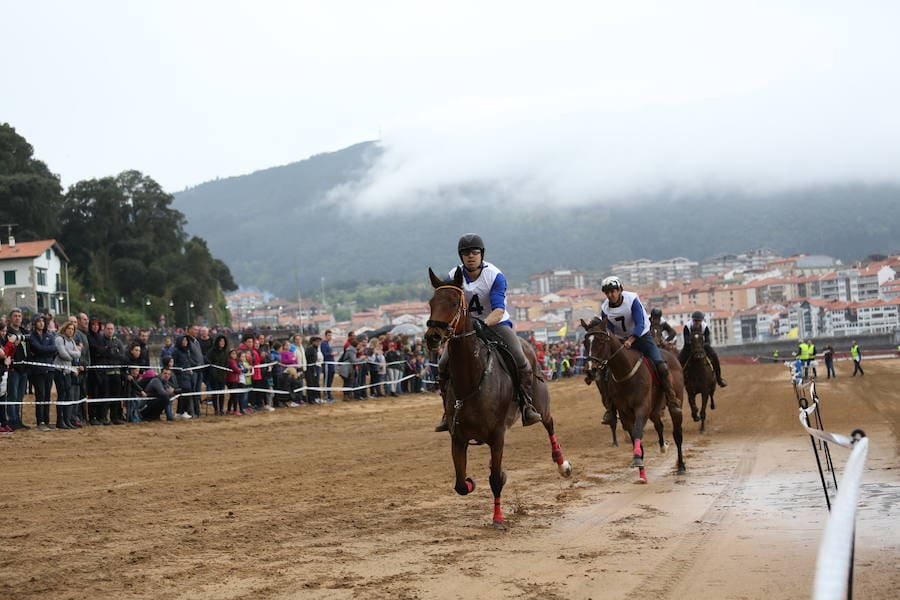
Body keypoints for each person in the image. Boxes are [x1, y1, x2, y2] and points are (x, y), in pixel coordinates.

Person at [435, 233, 541, 431]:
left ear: (481, 254)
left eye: (475, 252)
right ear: (461, 257)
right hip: (466, 329)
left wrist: (483, 324)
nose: (471, 256)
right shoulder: (453, 276)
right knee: (442, 364)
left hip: (496, 323)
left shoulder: (494, 275)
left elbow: (499, 309)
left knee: (520, 358)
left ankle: (527, 405)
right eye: (466, 253)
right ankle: (446, 412)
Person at [595, 276, 680, 425]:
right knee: (604, 373)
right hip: (622, 342)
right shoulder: (605, 309)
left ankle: (671, 399)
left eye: (613, 291)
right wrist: (616, 342)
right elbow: (608, 330)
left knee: (661, 365)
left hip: (642, 338)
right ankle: (610, 409)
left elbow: (640, 323)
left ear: (619, 290)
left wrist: (631, 340)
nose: (610, 295)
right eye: (607, 293)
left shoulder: (632, 299)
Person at [678, 311, 728, 388]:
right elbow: (686, 341)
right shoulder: (687, 327)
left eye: (699, 321)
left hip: (702, 346)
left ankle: (719, 379)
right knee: (679, 359)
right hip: (689, 346)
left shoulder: (705, 327)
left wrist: (700, 346)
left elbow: (708, 341)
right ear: (692, 320)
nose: (697, 322)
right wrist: (694, 345)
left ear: (701, 321)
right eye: (695, 321)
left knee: (714, 356)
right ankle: (679, 379)